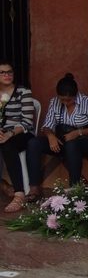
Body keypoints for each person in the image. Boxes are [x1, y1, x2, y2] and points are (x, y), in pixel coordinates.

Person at [25, 73, 88, 200]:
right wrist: (50, 136)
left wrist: (78, 133)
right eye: (62, 99)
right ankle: (34, 188)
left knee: (72, 145)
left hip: (87, 142)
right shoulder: (55, 102)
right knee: (33, 143)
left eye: (69, 100)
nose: (65, 103)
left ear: (76, 95)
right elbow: (47, 125)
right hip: (63, 141)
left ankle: (74, 190)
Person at [0, 59, 34, 213]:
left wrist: (10, 133)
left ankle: (19, 194)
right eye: (2, 72)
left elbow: (27, 121)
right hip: (3, 133)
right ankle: (3, 184)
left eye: (9, 72)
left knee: (7, 145)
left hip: (21, 133)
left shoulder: (23, 92)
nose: (7, 75)